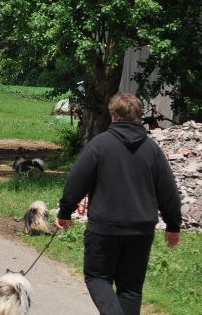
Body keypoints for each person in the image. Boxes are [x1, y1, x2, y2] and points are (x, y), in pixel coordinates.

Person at [55, 93, 181, 315]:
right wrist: (173, 226)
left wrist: (65, 211)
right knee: (130, 288)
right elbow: (168, 191)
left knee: (97, 277)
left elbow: (77, 180)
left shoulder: (99, 144)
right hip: (141, 231)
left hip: (105, 228)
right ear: (139, 118)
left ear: (113, 116)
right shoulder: (152, 150)